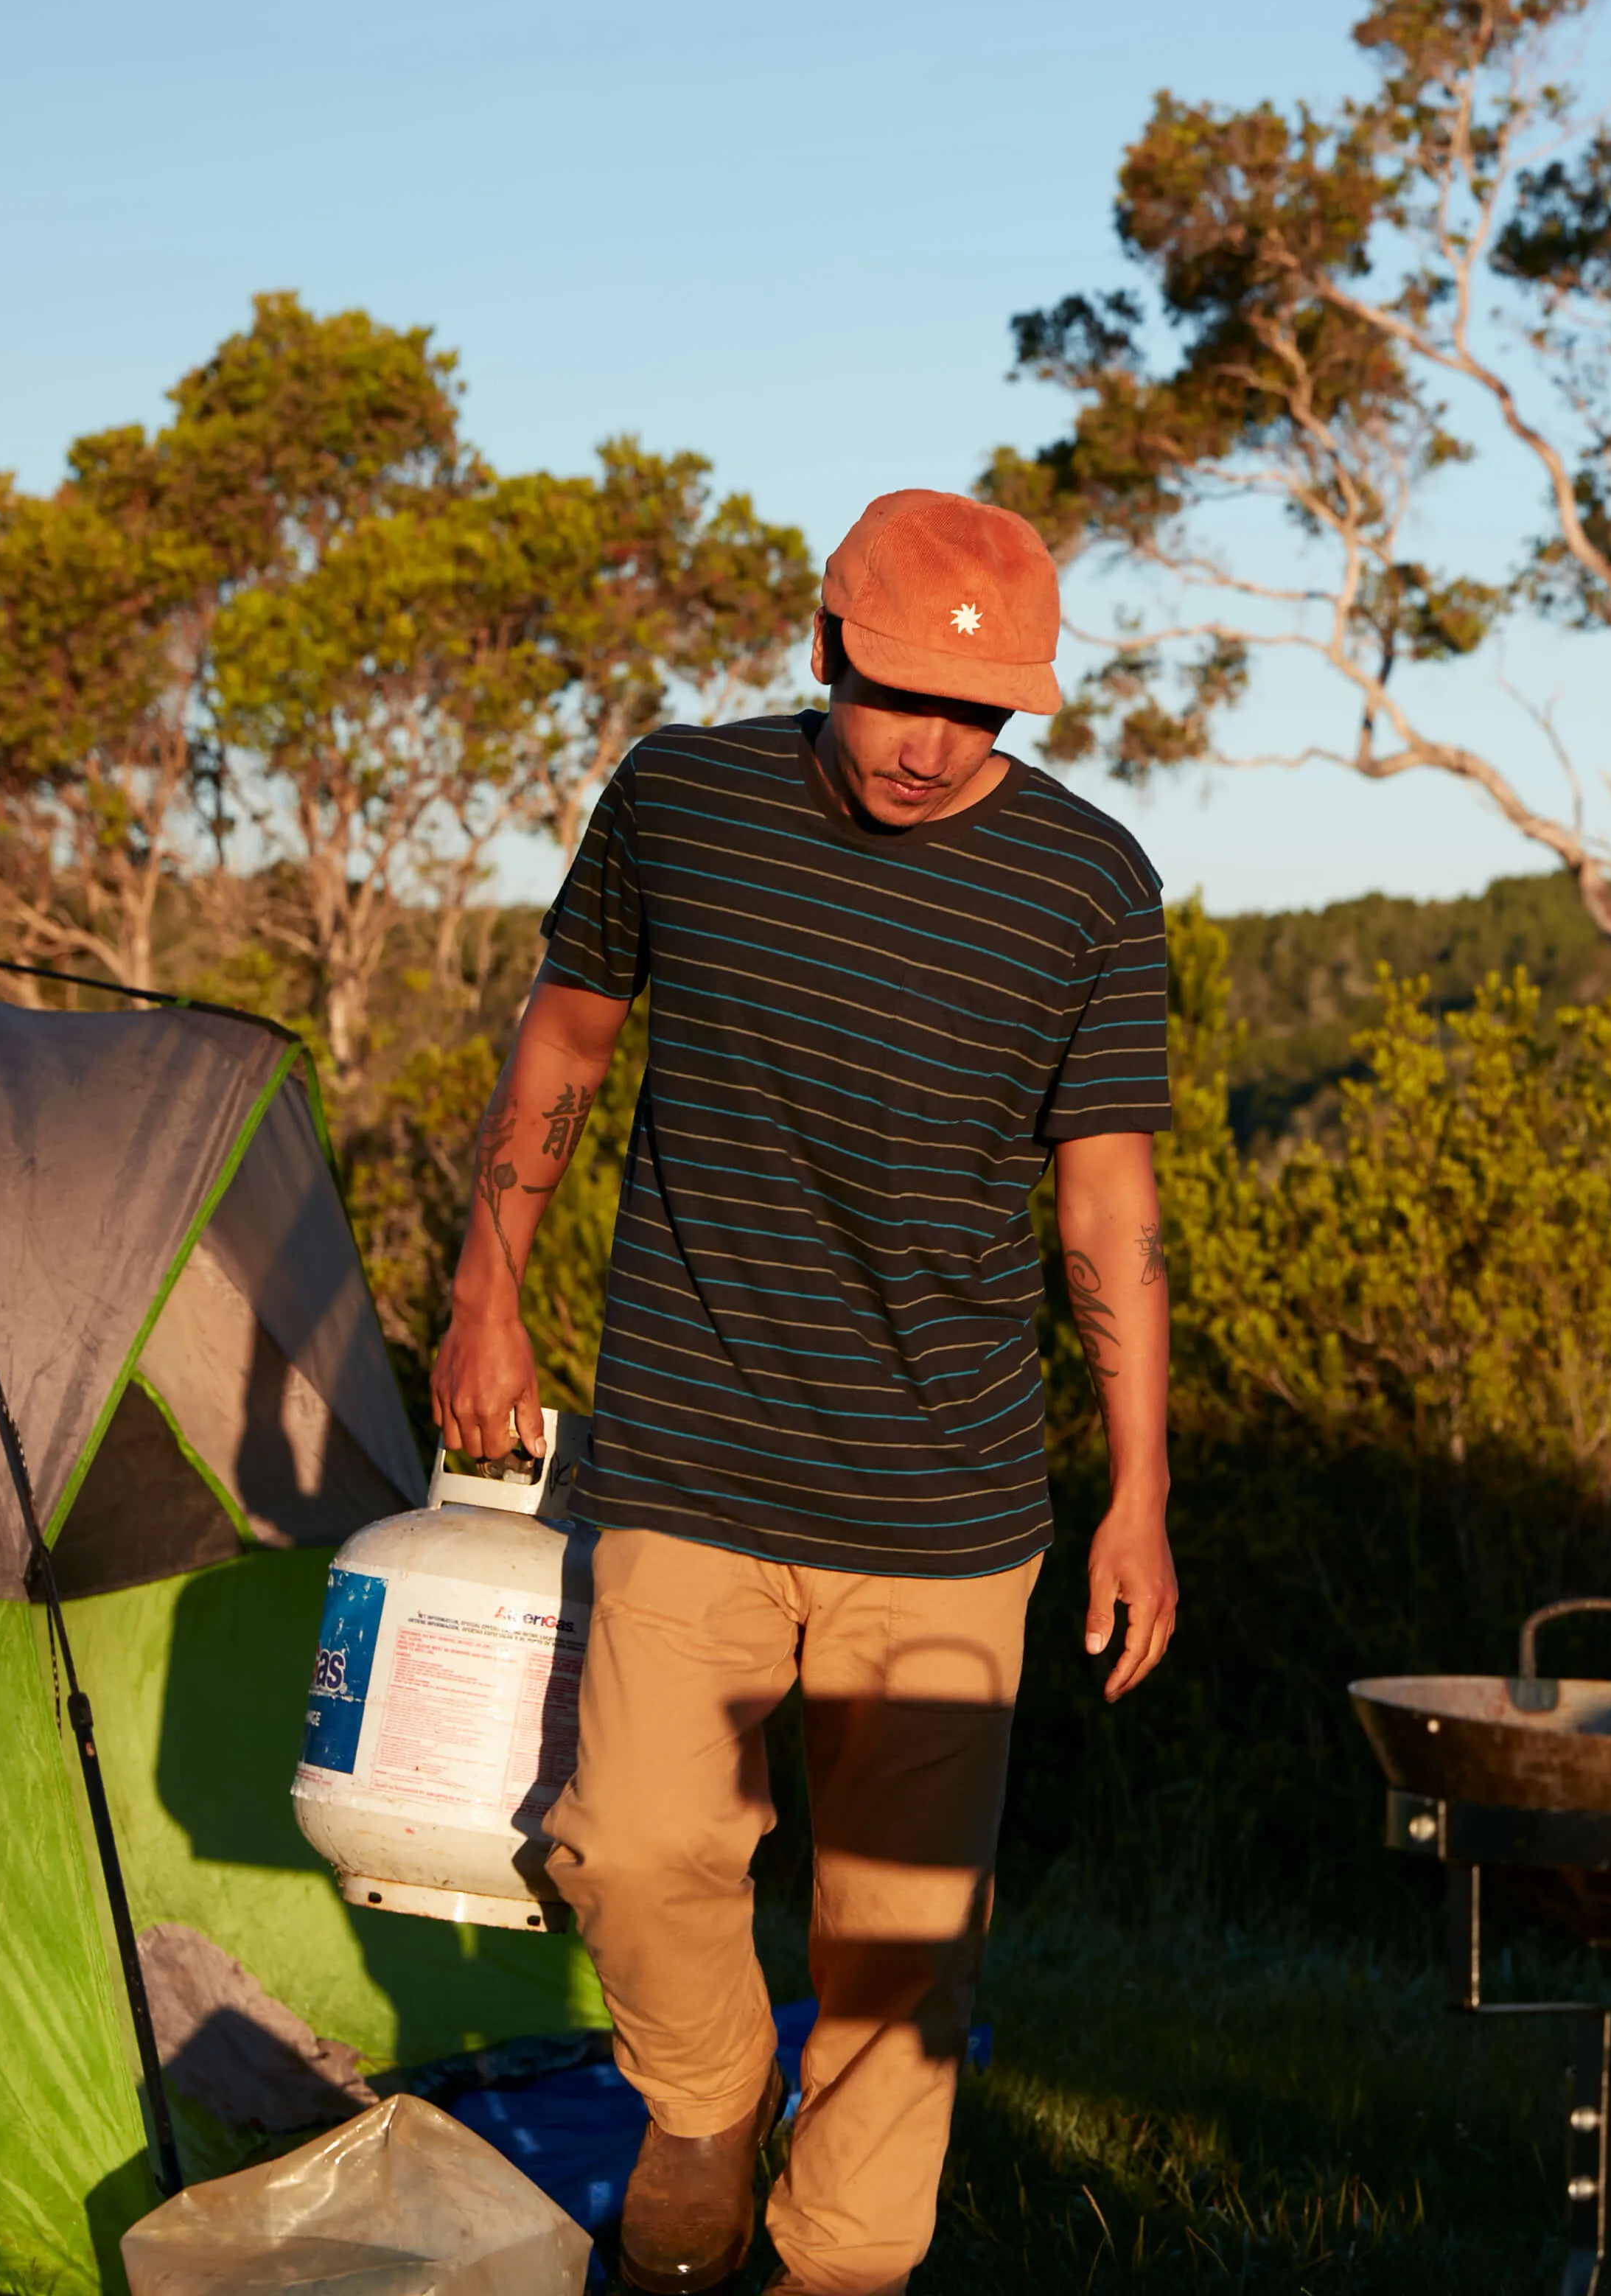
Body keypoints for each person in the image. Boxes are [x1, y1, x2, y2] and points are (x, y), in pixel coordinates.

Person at [427, 488, 1177, 2296]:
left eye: (980, 714)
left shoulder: (1089, 880)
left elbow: (1109, 1203)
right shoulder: (682, 800)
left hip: (953, 1503)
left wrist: (1140, 1489)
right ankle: (700, 2095)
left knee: (899, 1948)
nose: (934, 747)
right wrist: (484, 1293)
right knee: (629, 1841)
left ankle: (839, 2265)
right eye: (905, 694)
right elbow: (565, 1043)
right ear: (825, 643)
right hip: (692, 1446)